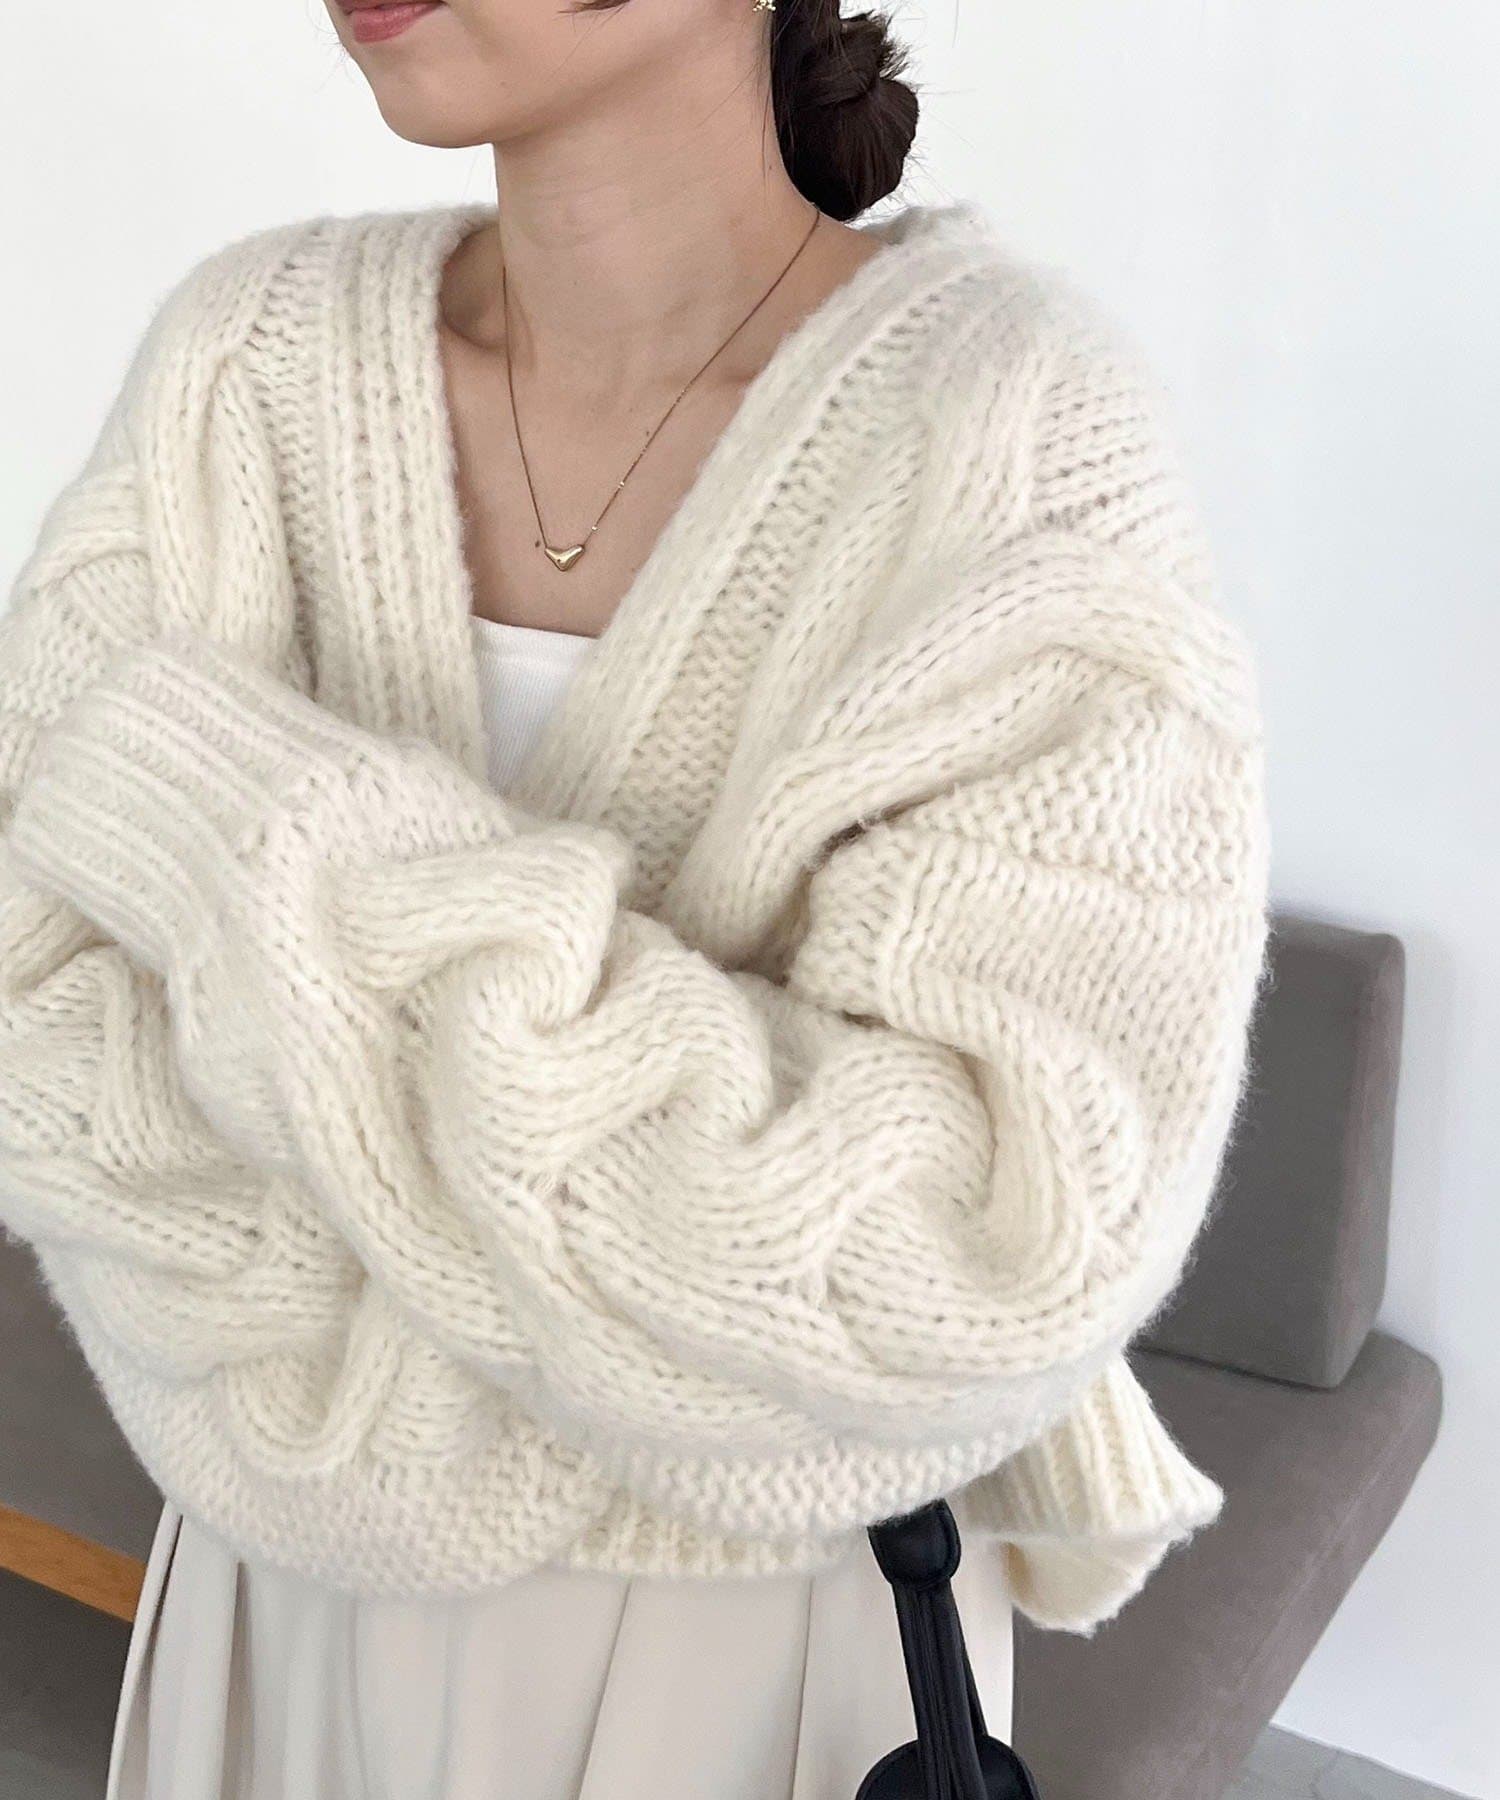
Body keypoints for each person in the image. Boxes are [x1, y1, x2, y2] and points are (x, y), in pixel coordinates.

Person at [0, 0, 1272, 1794]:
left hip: (742, 1658)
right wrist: (615, 1298)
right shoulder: (245, 360)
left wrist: (243, 829)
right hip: (272, 1592)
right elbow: (35, 997)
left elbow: (972, 1253)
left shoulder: (1011, 429)